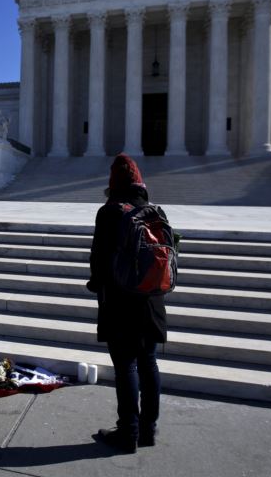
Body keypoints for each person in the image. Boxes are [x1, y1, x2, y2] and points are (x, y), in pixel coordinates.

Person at [87, 154, 167, 453]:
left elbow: (99, 259)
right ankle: (148, 430)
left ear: (114, 182)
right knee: (149, 362)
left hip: (120, 299)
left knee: (126, 366)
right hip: (152, 299)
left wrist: (96, 284)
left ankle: (128, 432)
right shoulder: (155, 211)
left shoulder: (109, 212)